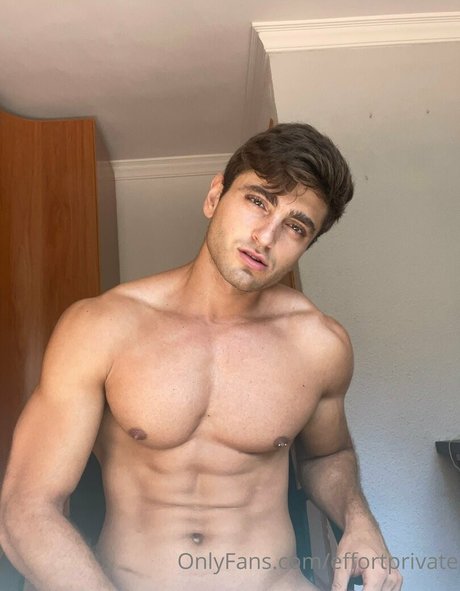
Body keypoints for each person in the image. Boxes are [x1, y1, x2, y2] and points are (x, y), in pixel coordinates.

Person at [0, 123, 403, 591]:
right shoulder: (101, 327)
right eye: (258, 201)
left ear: (305, 247)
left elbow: (327, 455)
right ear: (215, 197)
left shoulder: (320, 344)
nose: (266, 236)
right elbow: (26, 507)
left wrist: (358, 519)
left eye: (295, 227)